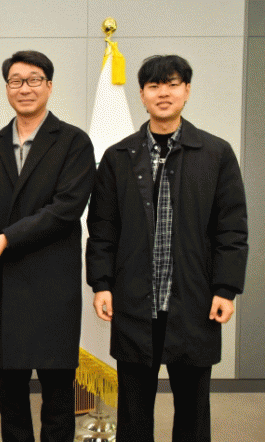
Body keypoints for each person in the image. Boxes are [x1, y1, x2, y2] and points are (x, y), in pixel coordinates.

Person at [86, 55, 248, 442]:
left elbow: (231, 228)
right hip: (134, 302)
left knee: (193, 407)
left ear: (187, 91)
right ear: (142, 94)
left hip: (193, 301)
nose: (164, 93)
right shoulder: (118, 157)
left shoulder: (216, 153)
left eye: (173, 84)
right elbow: (102, 228)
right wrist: (101, 283)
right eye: (154, 86)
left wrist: (226, 289)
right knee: (133, 408)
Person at [0, 50, 96, 442]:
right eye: (16, 81)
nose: (24, 88)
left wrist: (6, 239)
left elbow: (65, 210)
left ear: (49, 86)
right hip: (1, 286)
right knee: (10, 393)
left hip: (52, 286)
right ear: (7, 88)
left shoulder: (74, 142)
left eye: (34, 79)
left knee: (58, 392)